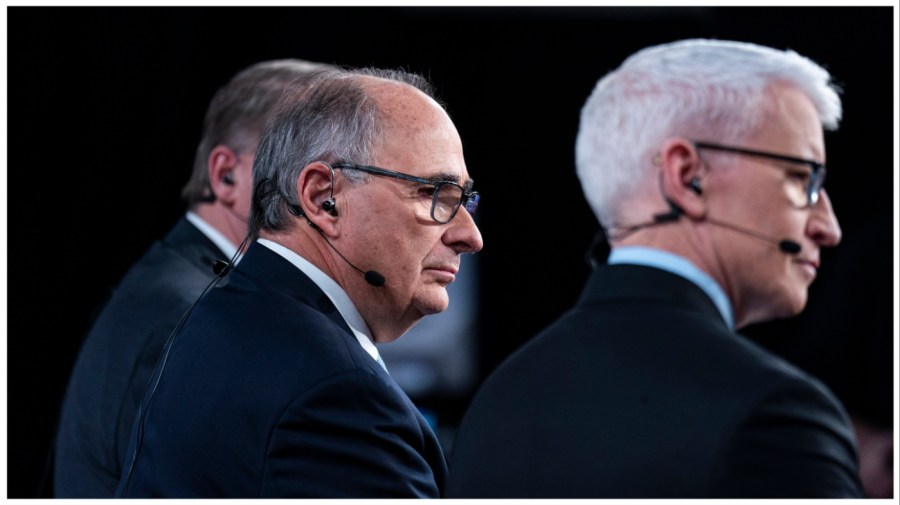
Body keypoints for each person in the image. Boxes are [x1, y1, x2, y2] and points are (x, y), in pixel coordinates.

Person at [446, 39, 863, 498]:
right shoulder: (774, 417)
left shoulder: (498, 404)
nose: (829, 227)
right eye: (803, 179)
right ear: (687, 177)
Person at [115, 67, 483, 498]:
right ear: (323, 197)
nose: (470, 236)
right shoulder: (337, 394)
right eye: (433, 193)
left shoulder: (225, 316)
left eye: (466, 200)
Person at [52, 58, 333, 497]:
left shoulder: (187, 287)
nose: (323, 197)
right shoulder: (188, 314)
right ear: (226, 175)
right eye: (306, 168)